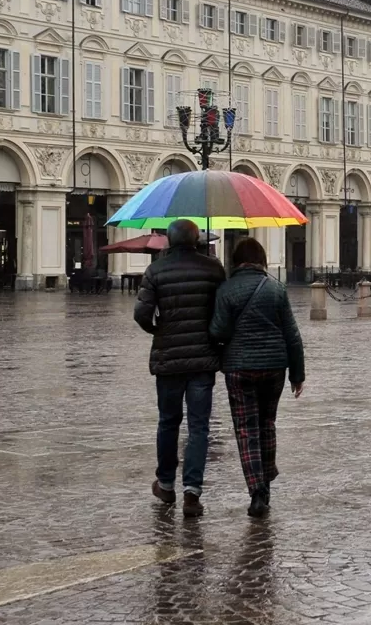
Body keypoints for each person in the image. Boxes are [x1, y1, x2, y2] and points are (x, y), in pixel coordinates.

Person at [134, 219, 226, 518]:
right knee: (199, 426)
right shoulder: (213, 269)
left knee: (168, 422)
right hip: (203, 359)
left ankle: (165, 484)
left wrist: (158, 330)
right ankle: (192, 492)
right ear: (197, 239)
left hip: (168, 358)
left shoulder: (155, 270)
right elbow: (222, 314)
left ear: (169, 241)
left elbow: (142, 314)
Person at [210, 238, 306, 519]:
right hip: (275, 367)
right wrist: (297, 375)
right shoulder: (276, 288)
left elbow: (218, 332)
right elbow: (292, 334)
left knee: (246, 430)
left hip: (239, 368)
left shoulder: (226, 290)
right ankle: (266, 478)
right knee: (267, 424)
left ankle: (257, 492)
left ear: (236, 261)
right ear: (262, 260)